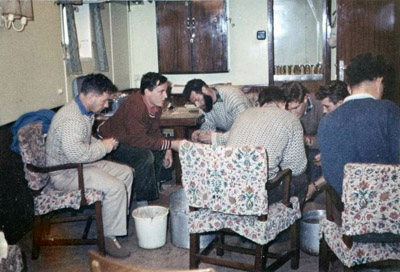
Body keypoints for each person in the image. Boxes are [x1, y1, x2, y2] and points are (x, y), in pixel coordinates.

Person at [46, 74, 134, 258]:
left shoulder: (84, 111)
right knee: (116, 187)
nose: (107, 105)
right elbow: (77, 153)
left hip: (79, 166)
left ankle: (115, 225)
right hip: (66, 173)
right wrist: (103, 147)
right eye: (105, 100)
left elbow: (83, 140)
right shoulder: (71, 119)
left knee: (126, 173)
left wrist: (101, 143)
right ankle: (108, 238)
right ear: (92, 96)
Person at [318, 53, 400, 197]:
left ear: (349, 88)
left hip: (348, 208)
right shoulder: (389, 110)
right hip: (389, 205)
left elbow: (329, 174)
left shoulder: (327, 120)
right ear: (379, 81)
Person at [98, 72, 180, 205]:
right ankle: (143, 202)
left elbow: (154, 131)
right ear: (147, 91)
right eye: (161, 91)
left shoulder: (155, 106)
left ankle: (155, 187)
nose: (165, 96)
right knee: (145, 156)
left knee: (159, 149)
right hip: (112, 142)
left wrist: (167, 148)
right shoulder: (135, 105)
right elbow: (139, 140)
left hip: (129, 138)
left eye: (166, 91)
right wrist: (169, 144)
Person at [225, 86, 307, 205]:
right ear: (283, 104)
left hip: (229, 188)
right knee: (301, 178)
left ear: (260, 103)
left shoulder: (244, 114)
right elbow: (296, 168)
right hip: (259, 193)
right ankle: (288, 218)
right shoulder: (291, 119)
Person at [305, 81, 349, 200]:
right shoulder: (334, 120)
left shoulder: (349, 123)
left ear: (340, 103)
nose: (324, 111)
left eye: (327, 106)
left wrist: (314, 186)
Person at [182, 79, 252, 145]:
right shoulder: (206, 102)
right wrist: (201, 134)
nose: (197, 105)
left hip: (249, 139)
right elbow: (209, 124)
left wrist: (216, 138)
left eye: (197, 99)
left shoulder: (233, 97)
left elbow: (244, 131)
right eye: (194, 103)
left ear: (204, 89)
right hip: (231, 138)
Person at [282, 81, 324, 185]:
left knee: (313, 158)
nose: (291, 113)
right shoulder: (280, 107)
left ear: (305, 99)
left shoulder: (320, 105)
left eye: (296, 108)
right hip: (290, 150)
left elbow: (327, 138)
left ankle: (308, 193)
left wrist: (307, 140)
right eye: (288, 109)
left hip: (313, 150)